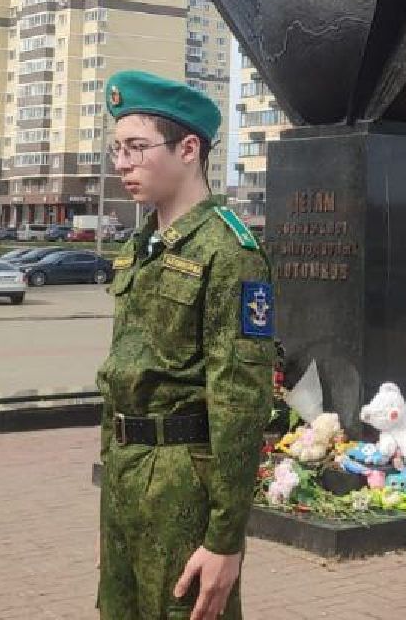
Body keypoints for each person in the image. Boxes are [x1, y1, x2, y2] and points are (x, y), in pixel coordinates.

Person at [96, 71, 274, 620]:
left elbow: (240, 403)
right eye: (116, 149)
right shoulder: (141, 246)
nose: (121, 163)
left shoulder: (229, 252)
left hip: (182, 484)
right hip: (126, 476)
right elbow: (122, 377)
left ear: (188, 149)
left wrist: (225, 540)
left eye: (136, 147)